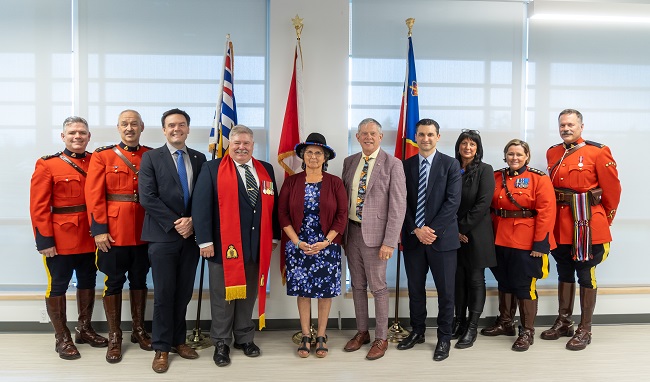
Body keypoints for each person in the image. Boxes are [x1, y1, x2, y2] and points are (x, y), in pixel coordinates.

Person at [192, 125, 280, 367]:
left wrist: (273, 237)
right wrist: (205, 241)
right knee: (223, 298)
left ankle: (244, 337)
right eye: (237, 143)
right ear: (229, 144)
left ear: (253, 145)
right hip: (223, 247)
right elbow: (200, 207)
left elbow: (273, 206)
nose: (242, 147)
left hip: (256, 246)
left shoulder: (266, 169)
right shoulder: (212, 168)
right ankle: (221, 342)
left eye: (246, 143)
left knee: (248, 295)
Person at [541, 109, 621, 350]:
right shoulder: (553, 152)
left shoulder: (598, 152)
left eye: (571, 124)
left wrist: (602, 220)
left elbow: (612, 191)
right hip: (561, 225)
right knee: (564, 272)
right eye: (562, 125)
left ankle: (585, 328)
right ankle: (564, 321)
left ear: (581, 126)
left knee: (585, 274)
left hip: (588, 224)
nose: (566, 128)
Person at [29, 116, 108, 360]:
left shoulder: (97, 160)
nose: (77, 136)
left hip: (91, 236)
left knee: (87, 282)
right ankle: (61, 336)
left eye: (82, 132)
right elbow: (38, 206)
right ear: (63, 137)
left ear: (89, 136)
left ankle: (83, 329)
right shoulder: (47, 165)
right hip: (60, 239)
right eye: (72, 132)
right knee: (58, 285)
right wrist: (44, 240)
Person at [139, 108, 207, 372]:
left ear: (188, 129)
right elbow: (148, 198)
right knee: (165, 295)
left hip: (192, 237)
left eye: (181, 124)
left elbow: (203, 197)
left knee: (183, 293)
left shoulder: (200, 158)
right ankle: (161, 347)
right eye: (171, 125)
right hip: (162, 236)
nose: (176, 129)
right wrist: (175, 223)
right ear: (164, 130)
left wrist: (192, 221)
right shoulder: (151, 158)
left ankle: (179, 340)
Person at [85, 109, 152, 363]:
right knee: (113, 283)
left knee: (139, 281)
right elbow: (94, 195)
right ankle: (115, 335)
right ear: (118, 127)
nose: (129, 128)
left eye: (134, 124)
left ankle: (138, 329)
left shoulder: (151, 155)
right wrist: (99, 229)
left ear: (142, 127)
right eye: (125, 124)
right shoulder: (103, 156)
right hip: (112, 232)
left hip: (144, 231)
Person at [342, 118, 406, 361]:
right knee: (357, 286)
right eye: (363, 133)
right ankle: (362, 332)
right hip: (352, 233)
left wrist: (390, 241)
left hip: (378, 238)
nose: (368, 137)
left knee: (378, 288)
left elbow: (398, 206)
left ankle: (381, 337)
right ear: (357, 137)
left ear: (380, 137)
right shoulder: (349, 162)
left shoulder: (393, 164)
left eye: (373, 133)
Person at [278, 133, 347, 359]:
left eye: (319, 153)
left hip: (327, 246)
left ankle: (322, 336)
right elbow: (282, 214)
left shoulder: (335, 182)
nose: (314, 156)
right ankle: (306, 335)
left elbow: (341, 215)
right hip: (299, 246)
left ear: (325, 157)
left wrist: (326, 241)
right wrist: (297, 242)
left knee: (325, 294)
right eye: (309, 152)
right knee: (304, 293)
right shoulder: (291, 182)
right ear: (302, 155)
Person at [398, 119, 462, 361]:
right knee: (416, 290)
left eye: (430, 134)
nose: (425, 139)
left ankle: (444, 337)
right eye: (421, 134)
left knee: (446, 292)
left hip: (442, 240)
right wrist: (416, 229)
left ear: (438, 136)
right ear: (416, 136)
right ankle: (418, 331)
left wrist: (430, 230)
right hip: (414, 239)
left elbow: (452, 202)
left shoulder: (451, 164)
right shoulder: (405, 166)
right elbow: (400, 202)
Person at [490, 139, 556, 352]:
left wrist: (540, 243)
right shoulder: (496, 177)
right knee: (504, 281)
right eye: (510, 154)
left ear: (527, 156)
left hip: (526, 240)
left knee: (524, 285)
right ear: (505, 156)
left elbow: (546, 213)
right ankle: (505, 322)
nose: (514, 158)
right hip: (500, 237)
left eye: (519, 154)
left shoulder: (538, 179)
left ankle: (527, 331)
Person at [451, 129, 496, 349]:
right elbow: (443, 200)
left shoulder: (485, 170)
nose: (468, 148)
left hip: (476, 234)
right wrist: (453, 231)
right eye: (464, 143)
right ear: (458, 146)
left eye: (472, 144)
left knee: (475, 279)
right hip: (452, 234)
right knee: (457, 280)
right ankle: (459, 321)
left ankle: (472, 327)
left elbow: (482, 205)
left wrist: (462, 228)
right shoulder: (450, 167)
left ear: (478, 148)